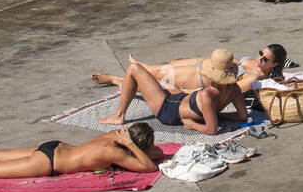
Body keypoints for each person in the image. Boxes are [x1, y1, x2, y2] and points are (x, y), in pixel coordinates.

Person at [0, 124, 163, 190]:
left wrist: (131, 141)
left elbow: (157, 152)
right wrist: (133, 146)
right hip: (48, 163)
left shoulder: (113, 137)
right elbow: (149, 167)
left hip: (53, 147)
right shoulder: (115, 152)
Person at [98, 49, 248, 133]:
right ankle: (121, 82)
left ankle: (119, 115)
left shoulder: (207, 94)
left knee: (134, 69)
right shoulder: (234, 88)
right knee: (156, 81)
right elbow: (242, 116)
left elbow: (212, 129)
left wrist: (192, 125)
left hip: (168, 110)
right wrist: (217, 115)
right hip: (182, 98)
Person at [95, 45, 288, 96]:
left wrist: (193, 93)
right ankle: (137, 69)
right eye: (260, 53)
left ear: (274, 65)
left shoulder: (254, 77)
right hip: (209, 64)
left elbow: (232, 89)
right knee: (168, 65)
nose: (259, 59)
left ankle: (115, 79)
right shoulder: (254, 64)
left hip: (203, 78)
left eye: (265, 59)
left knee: (158, 77)